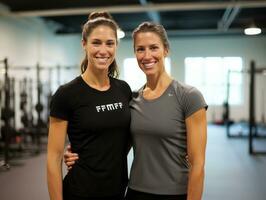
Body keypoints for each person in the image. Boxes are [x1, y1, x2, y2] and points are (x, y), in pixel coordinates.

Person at [65, 22, 208, 200]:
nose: (147, 55)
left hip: (174, 193)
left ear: (166, 50)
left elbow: (198, 164)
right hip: (134, 192)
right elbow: (115, 147)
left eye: (153, 48)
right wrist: (79, 155)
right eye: (140, 49)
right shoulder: (132, 99)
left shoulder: (189, 97)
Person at [47, 12, 132, 200]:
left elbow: (126, 138)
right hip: (80, 192)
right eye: (96, 42)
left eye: (110, 43)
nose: (103, 50)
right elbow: (53, 159)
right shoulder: (66, 94)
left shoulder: (123, 89)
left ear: (116, 46)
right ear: (84, 44)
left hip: (118, 190)